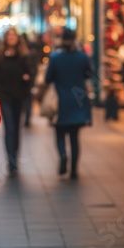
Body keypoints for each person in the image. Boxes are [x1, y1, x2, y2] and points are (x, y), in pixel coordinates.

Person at [45, 28, 92, 179]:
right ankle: (74, 170)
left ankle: (63, 155)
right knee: (74, 137)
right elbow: (89, 74)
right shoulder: (82, 57)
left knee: (59, 133)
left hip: (60, 100)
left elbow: (48, 78)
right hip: (77, 100)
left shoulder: (55, 58)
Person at [0, 28, 31, 176]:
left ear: (18, 38)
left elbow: (30, 75)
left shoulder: (23, 56)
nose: (12, 38)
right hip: (4, 97)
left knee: (16, 129)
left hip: (19, 97)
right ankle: (11, 161)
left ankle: (15, 156)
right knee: (10, 128)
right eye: (9, 35)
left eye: (14, 35)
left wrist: (27, 78)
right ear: (6, 38)